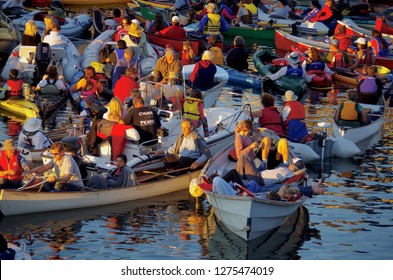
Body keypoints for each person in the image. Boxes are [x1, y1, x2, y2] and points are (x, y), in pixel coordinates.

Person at [236, 153, 305, 186]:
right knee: (248, 157)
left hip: (258, 179)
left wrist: (304, 169)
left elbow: (299, 172)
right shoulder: (288, 171)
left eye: (291, 163)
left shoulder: (289, 173)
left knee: (243, 157)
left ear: (293, 165)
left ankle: (238, 179)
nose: (290, 163)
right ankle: (241, 176)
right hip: (258, 174)